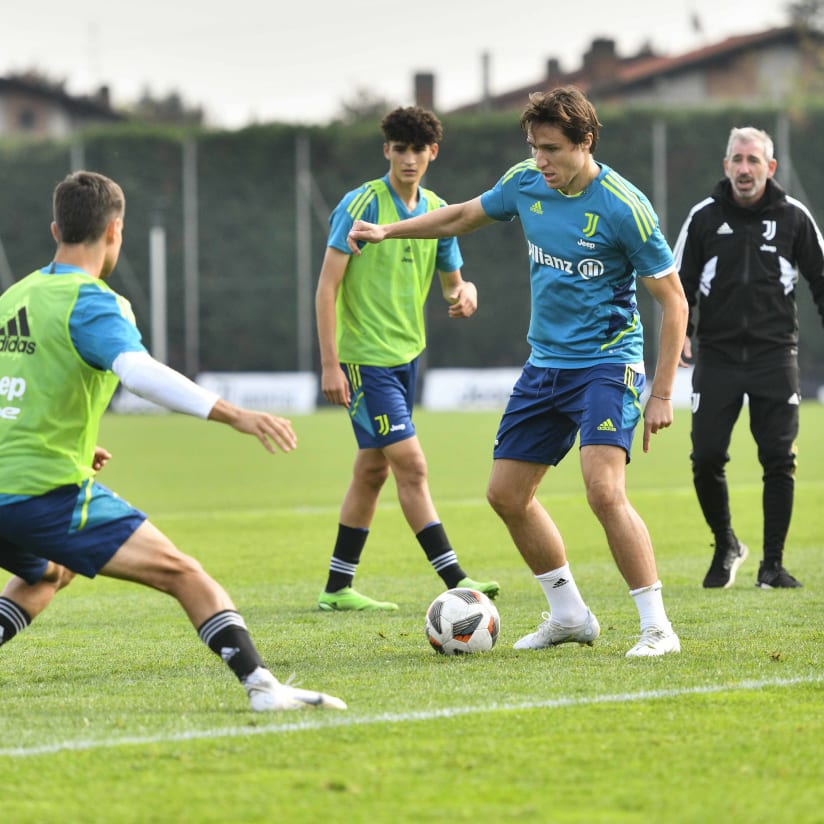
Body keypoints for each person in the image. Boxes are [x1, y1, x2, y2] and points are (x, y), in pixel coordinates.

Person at [349, 86, 688, 657]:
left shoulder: (623, 207)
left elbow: (673, 301)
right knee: (506, 495)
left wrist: (661, 392)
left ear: (585, 142)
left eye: (552, 149)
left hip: (607, 363)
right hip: (545, 366)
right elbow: (461, 216)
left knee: (604, 492)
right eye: (534, 147)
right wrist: (388, 230)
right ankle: (569, 615)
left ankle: (657, 627)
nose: (541, 161)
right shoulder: (525, 183)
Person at [0, 170, 345, 712]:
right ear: (115, 231)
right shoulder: (92, 301)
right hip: (42, 492)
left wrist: (69, 443)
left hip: (9, 488)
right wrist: (233, 415)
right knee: (184, 573)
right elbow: (137, 372)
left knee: (48, 573)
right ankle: (262, 688)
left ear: (54, 229)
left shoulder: (15, 296)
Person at [315, 105, 499, 611]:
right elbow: (327, 288)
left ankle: (336, 588)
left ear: (432, 152)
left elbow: (453, 286)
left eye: (418, 149)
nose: (409, 159)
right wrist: (331, 365)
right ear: (387, 152)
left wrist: (467, 295)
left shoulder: (437, 211)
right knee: (411, 467)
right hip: (363, 361)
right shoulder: (362, 206)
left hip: (406, 360)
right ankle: (457, 582)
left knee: (372, 472)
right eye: (400, 149)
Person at [673, 126, 824, 589]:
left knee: (778, 458)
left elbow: (821, 282)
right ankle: (726, 545)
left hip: (775, 355)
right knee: (707, 457)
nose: (744, 169)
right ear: (726, 166)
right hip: (716, 356)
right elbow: (675, 286)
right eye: (737, 159)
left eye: (753, 160)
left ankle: (772, 566)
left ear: (769, 168)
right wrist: (681, 335)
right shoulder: (702, 217)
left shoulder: (794, 217)